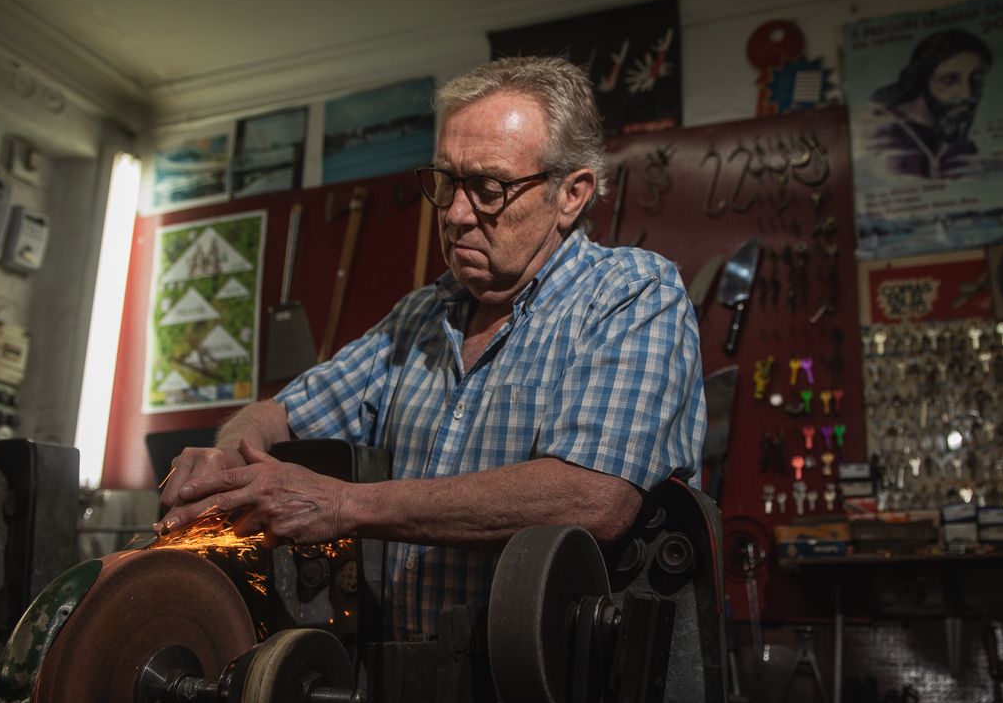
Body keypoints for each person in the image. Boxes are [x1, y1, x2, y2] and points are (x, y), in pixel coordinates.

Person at [157, 56, 705, 637]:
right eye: (445, 182)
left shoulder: (630, 293)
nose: (457, 214)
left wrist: (344, 506)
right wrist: (225, 453)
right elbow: (282, 414)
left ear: (571, 194)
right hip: (407, 694)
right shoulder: (419, 318)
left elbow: (593, 497)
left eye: (489, 188)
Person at [868, 29, 992, 180]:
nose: (967, 94)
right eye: (949, 80)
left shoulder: (961, 144)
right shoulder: (880, 132)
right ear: (921, 79)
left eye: (976, 80)